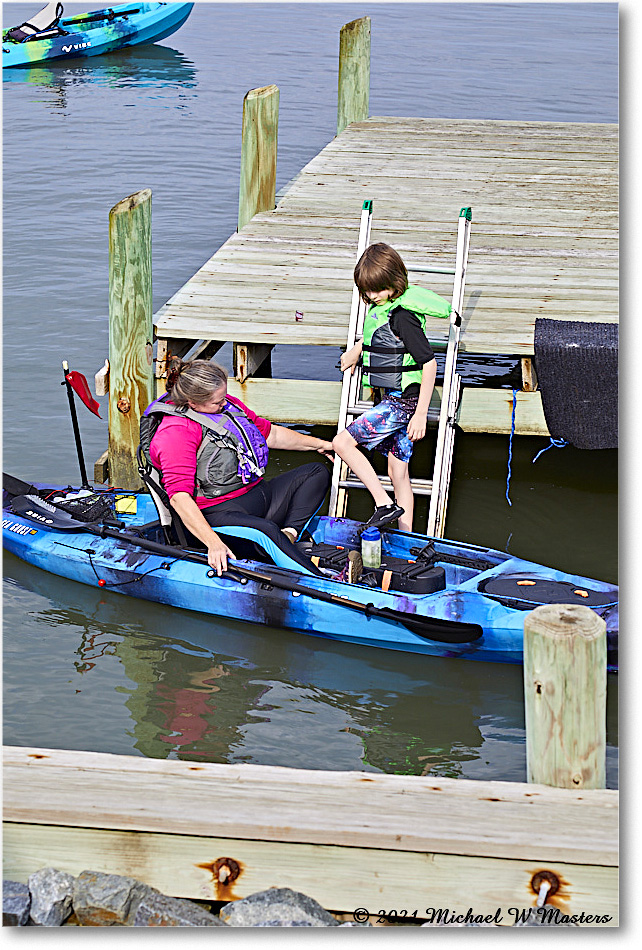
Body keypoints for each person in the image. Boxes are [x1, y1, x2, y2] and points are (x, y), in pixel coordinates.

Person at [144, 358, 333, 576]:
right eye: (217, 402)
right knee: (267, 532)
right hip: (218, 515)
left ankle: (288, 536)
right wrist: (213, 544)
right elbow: (179, 497)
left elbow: (271, 434)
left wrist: (322, 444)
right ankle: (325, 585)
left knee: (315, 473)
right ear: (192, 402)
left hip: (259, 498)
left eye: (224, 397)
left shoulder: (227, 405)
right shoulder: (176, 432)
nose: (224, 404)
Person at [333, 242, 451, 533]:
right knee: (398, 471)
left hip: (405, 402)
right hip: (397, 398)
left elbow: (429, 363)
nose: (372, 296)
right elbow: (384, 341)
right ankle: (406, 538)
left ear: (395, 283)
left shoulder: (403, 317)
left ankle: (384, 504)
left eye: (377, 290)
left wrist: (421, 413)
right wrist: (358, 349)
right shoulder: (383, 310)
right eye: (367, 291)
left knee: (341, 443)